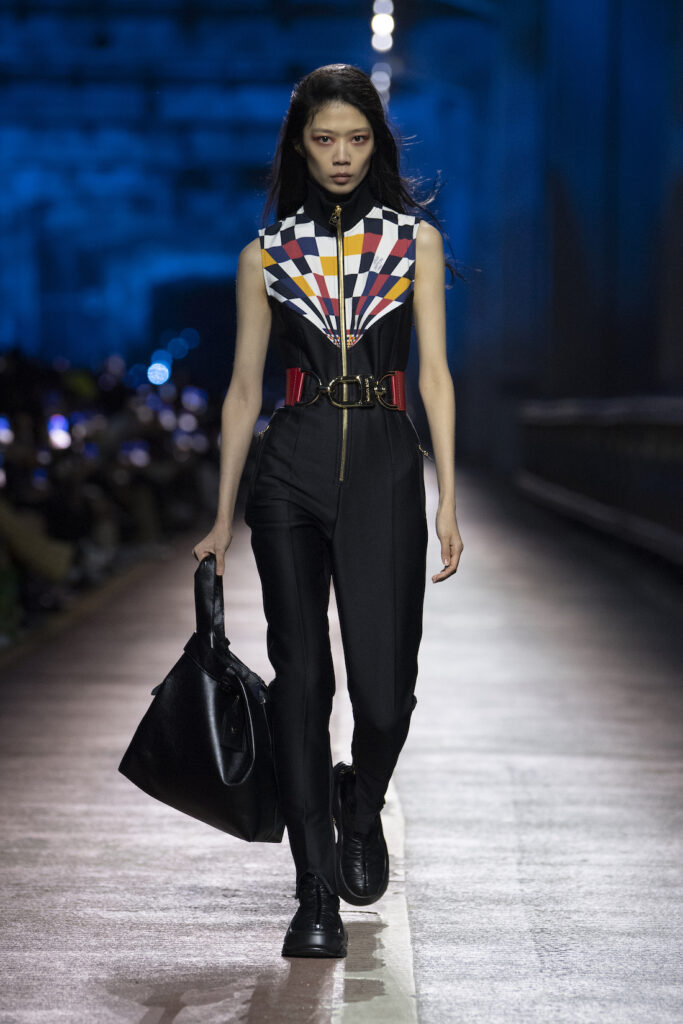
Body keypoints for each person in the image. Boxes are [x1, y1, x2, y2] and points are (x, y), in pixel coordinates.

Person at [193, 63, 463, 959]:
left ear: (374, 144)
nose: (340, 156)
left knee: (385, 695)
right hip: (290, 468)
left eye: (355, 139)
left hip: (387, 460)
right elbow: (240, 392)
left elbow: (431, 374)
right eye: (322, 139)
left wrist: (448, 498)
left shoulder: (411, 241)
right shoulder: (265, 256)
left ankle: (360, 797)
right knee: (301, 685)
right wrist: (221, 515)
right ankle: (312, 896)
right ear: (299, 147)